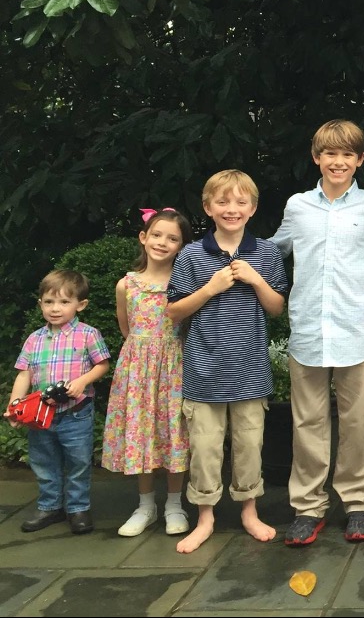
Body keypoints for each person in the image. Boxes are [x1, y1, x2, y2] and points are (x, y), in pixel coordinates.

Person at [271, 121, 364, 547]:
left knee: (359, 423)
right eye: (330, 153)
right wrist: (225, 255)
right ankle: (308, 507)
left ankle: (359, 502)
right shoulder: (298, 206)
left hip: (355, 331)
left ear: (360, 160)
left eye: (346, 154)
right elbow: (273, 250)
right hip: (307, 330)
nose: (337, 162)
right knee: (308, 422)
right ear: (316, 157)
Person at [167, 169, 288, 554]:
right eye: (222, 201)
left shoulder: (266, 253)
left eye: (240, 202)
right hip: (204, 372)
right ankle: (205, 517)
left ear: (252, 208)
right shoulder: (190, 255)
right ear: (208, 208)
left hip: (250, 371)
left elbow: (276, 308)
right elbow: (174, 311)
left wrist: (255, 279)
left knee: (250, 445)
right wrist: (210, 288)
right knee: (204, 449)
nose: (231, 209)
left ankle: (249, 511)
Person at [102, 207, 194, 537]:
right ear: (143, 237)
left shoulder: (184, 285)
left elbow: (187, 327)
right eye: (156, 235)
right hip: (137, 370)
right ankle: (145, 506)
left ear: (182, 246)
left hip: (173, 369)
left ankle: (174, 505)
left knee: (174, 432)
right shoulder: (126, 285)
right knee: (141, 433)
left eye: (172, 238)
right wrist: (144, 355)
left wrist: (166, 354)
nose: (162, 242)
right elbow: (126, 328)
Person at [6, 269, 111, 535]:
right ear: (40, 303)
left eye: (64, 302)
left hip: (76, 413)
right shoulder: (34, 339)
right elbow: (24, 373)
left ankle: (78, 508)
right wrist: (15, 405)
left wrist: (83, 381)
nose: (55, 308)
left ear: (80, 305)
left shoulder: (88, 334)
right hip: (41, 416)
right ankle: (50, 506)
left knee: (78, 462)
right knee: (44, 460)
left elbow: (103, 365)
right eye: (49, 302)